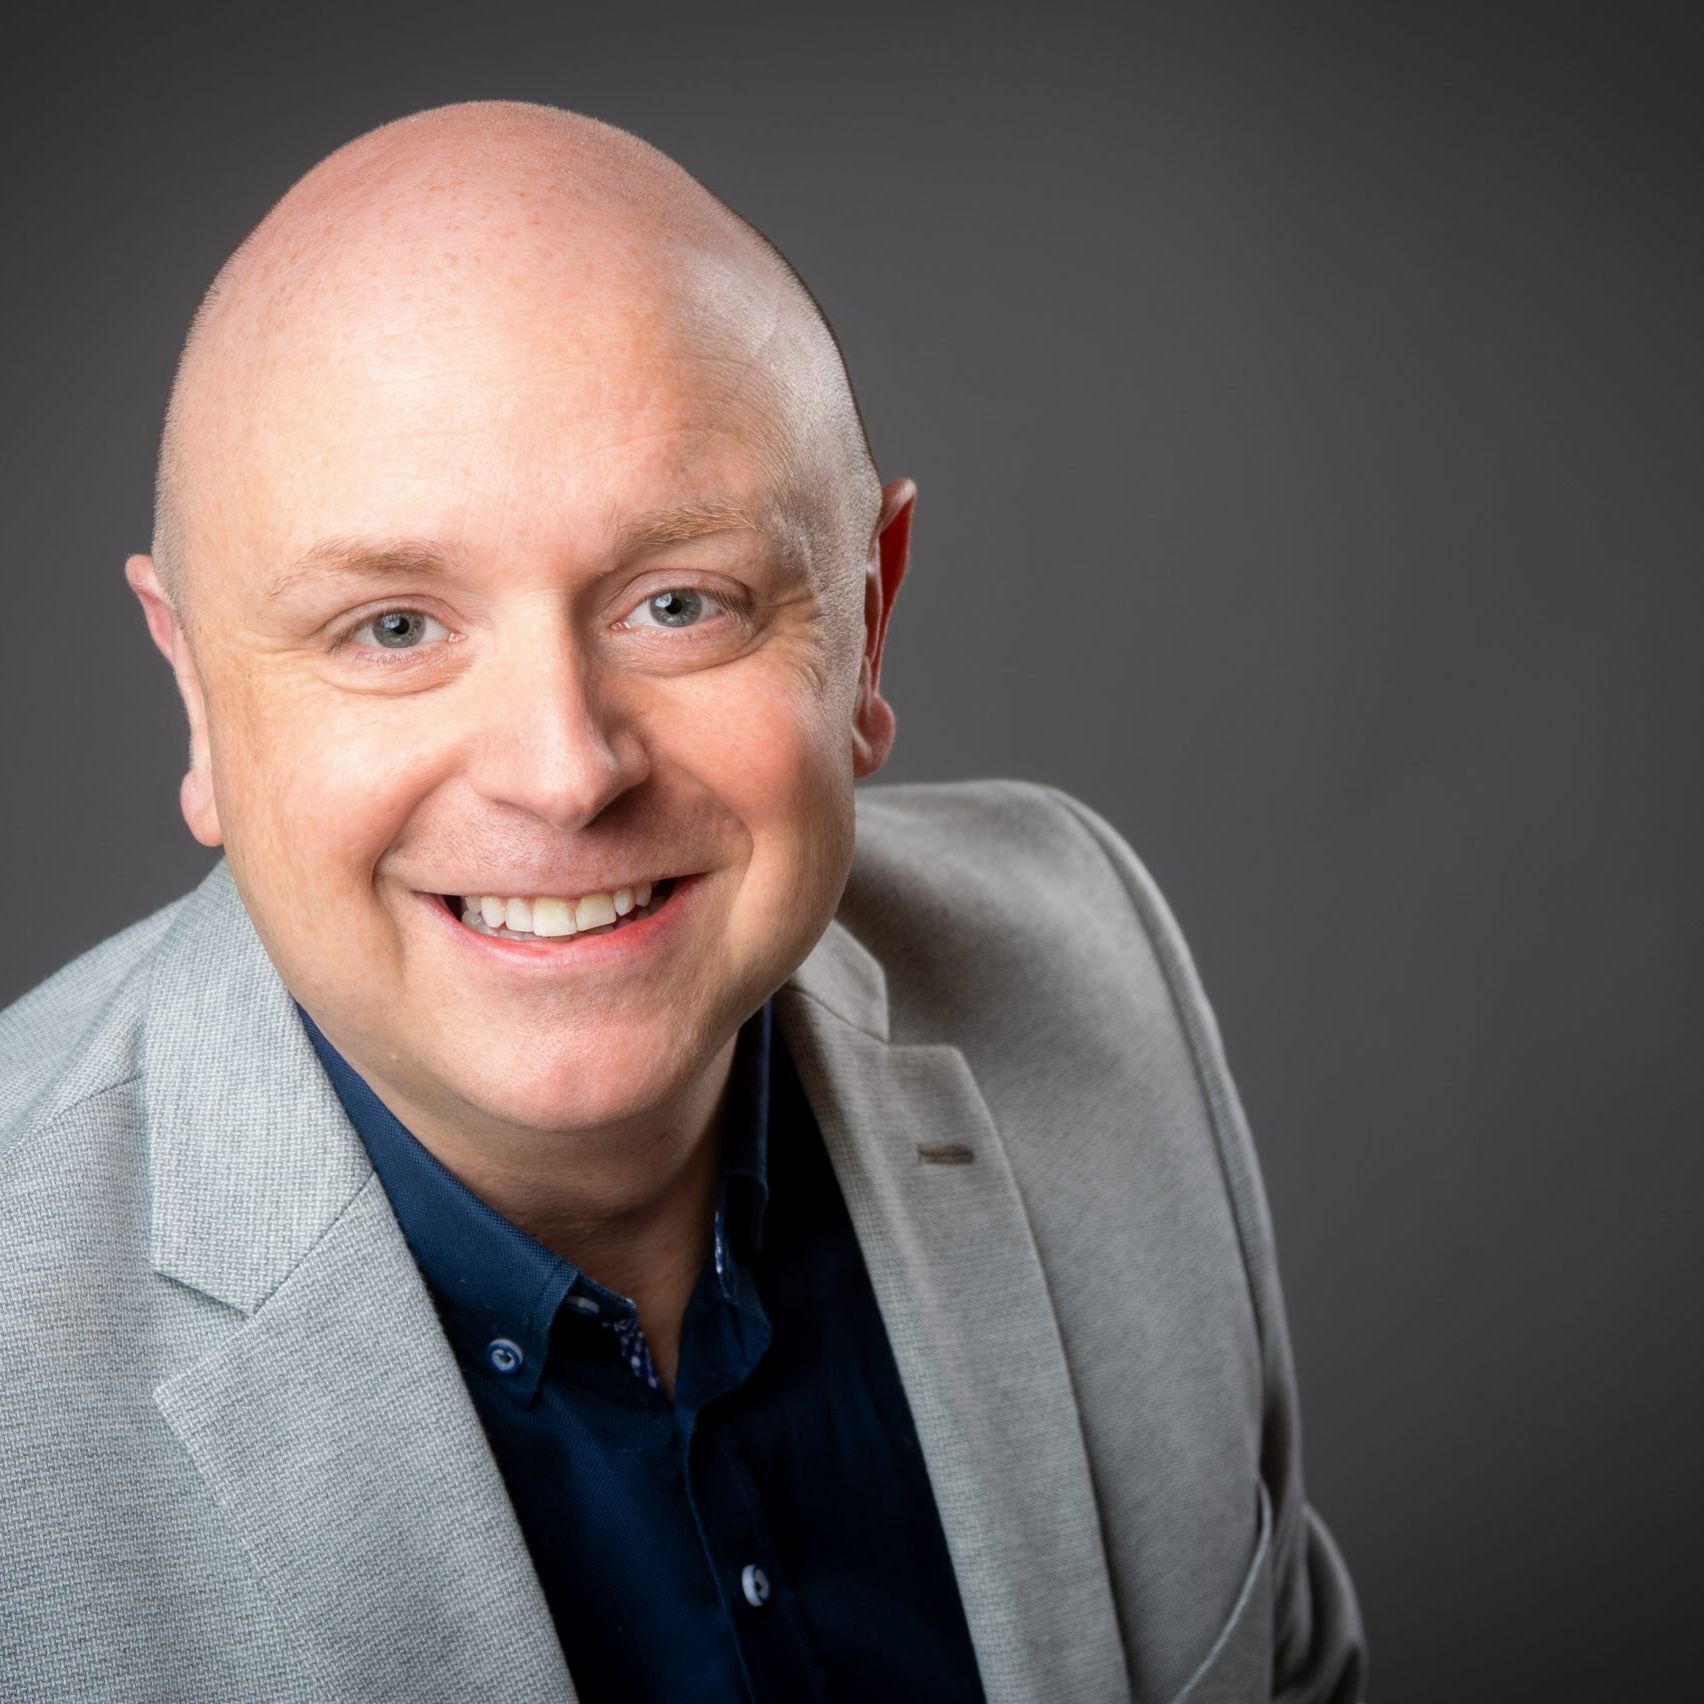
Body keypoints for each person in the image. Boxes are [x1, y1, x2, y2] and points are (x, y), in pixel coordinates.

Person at [0, 100, 1366, 1703]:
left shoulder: (1085, 962)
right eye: (390, 628)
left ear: (866, 625)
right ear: (196, 699)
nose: (564, 771)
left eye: (676, 602)